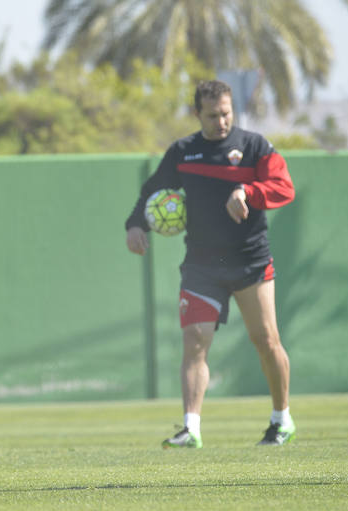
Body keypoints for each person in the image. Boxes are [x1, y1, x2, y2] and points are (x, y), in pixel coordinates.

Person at [125, 79, 296, 448]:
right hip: (202, 264)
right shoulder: (183, 152)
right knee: (195, 342)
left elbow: (284, 187)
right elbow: (152, 189)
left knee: (265, 340)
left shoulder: (254, 146)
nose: (221, 121)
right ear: (196, 114)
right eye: (212, 115)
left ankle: (281, 418)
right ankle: (191, 428)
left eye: (226, 113)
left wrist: (248, 190)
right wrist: (135, 223)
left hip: (250, 261)